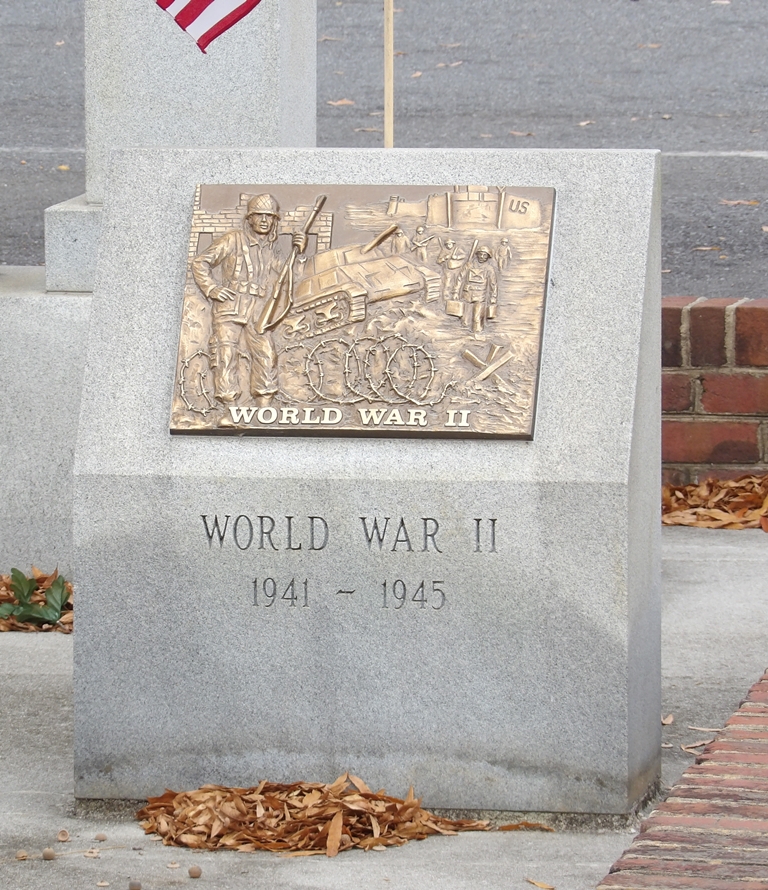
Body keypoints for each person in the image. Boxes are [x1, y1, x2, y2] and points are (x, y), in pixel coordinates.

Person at [191, 194, 306, 405]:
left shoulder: (272, 248)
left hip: (259, 307)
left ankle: (264, 406)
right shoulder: (232, 239)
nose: (264, 220)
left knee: (266, 353)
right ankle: (229, 407)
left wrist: (298, 252)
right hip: (230, 304)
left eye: (269, 216)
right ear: (249, 219)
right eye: (259, 215)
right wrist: (212, 288)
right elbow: (200, 262)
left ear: (274, 221)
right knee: (226, 354)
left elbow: (290, 276)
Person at [454, 245, 498, 333]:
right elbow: (460, 278)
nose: (482, 257)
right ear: (477, 254)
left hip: (480, 295)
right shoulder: (469, 265)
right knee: (465, 320)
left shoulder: (489, 268)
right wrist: (456, 291)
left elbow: (493, 284)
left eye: (485, 255)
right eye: (480, 254)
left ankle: (477, 334)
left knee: (477, 319)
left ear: (488, 256)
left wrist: (493, 297)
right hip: (467, 294)